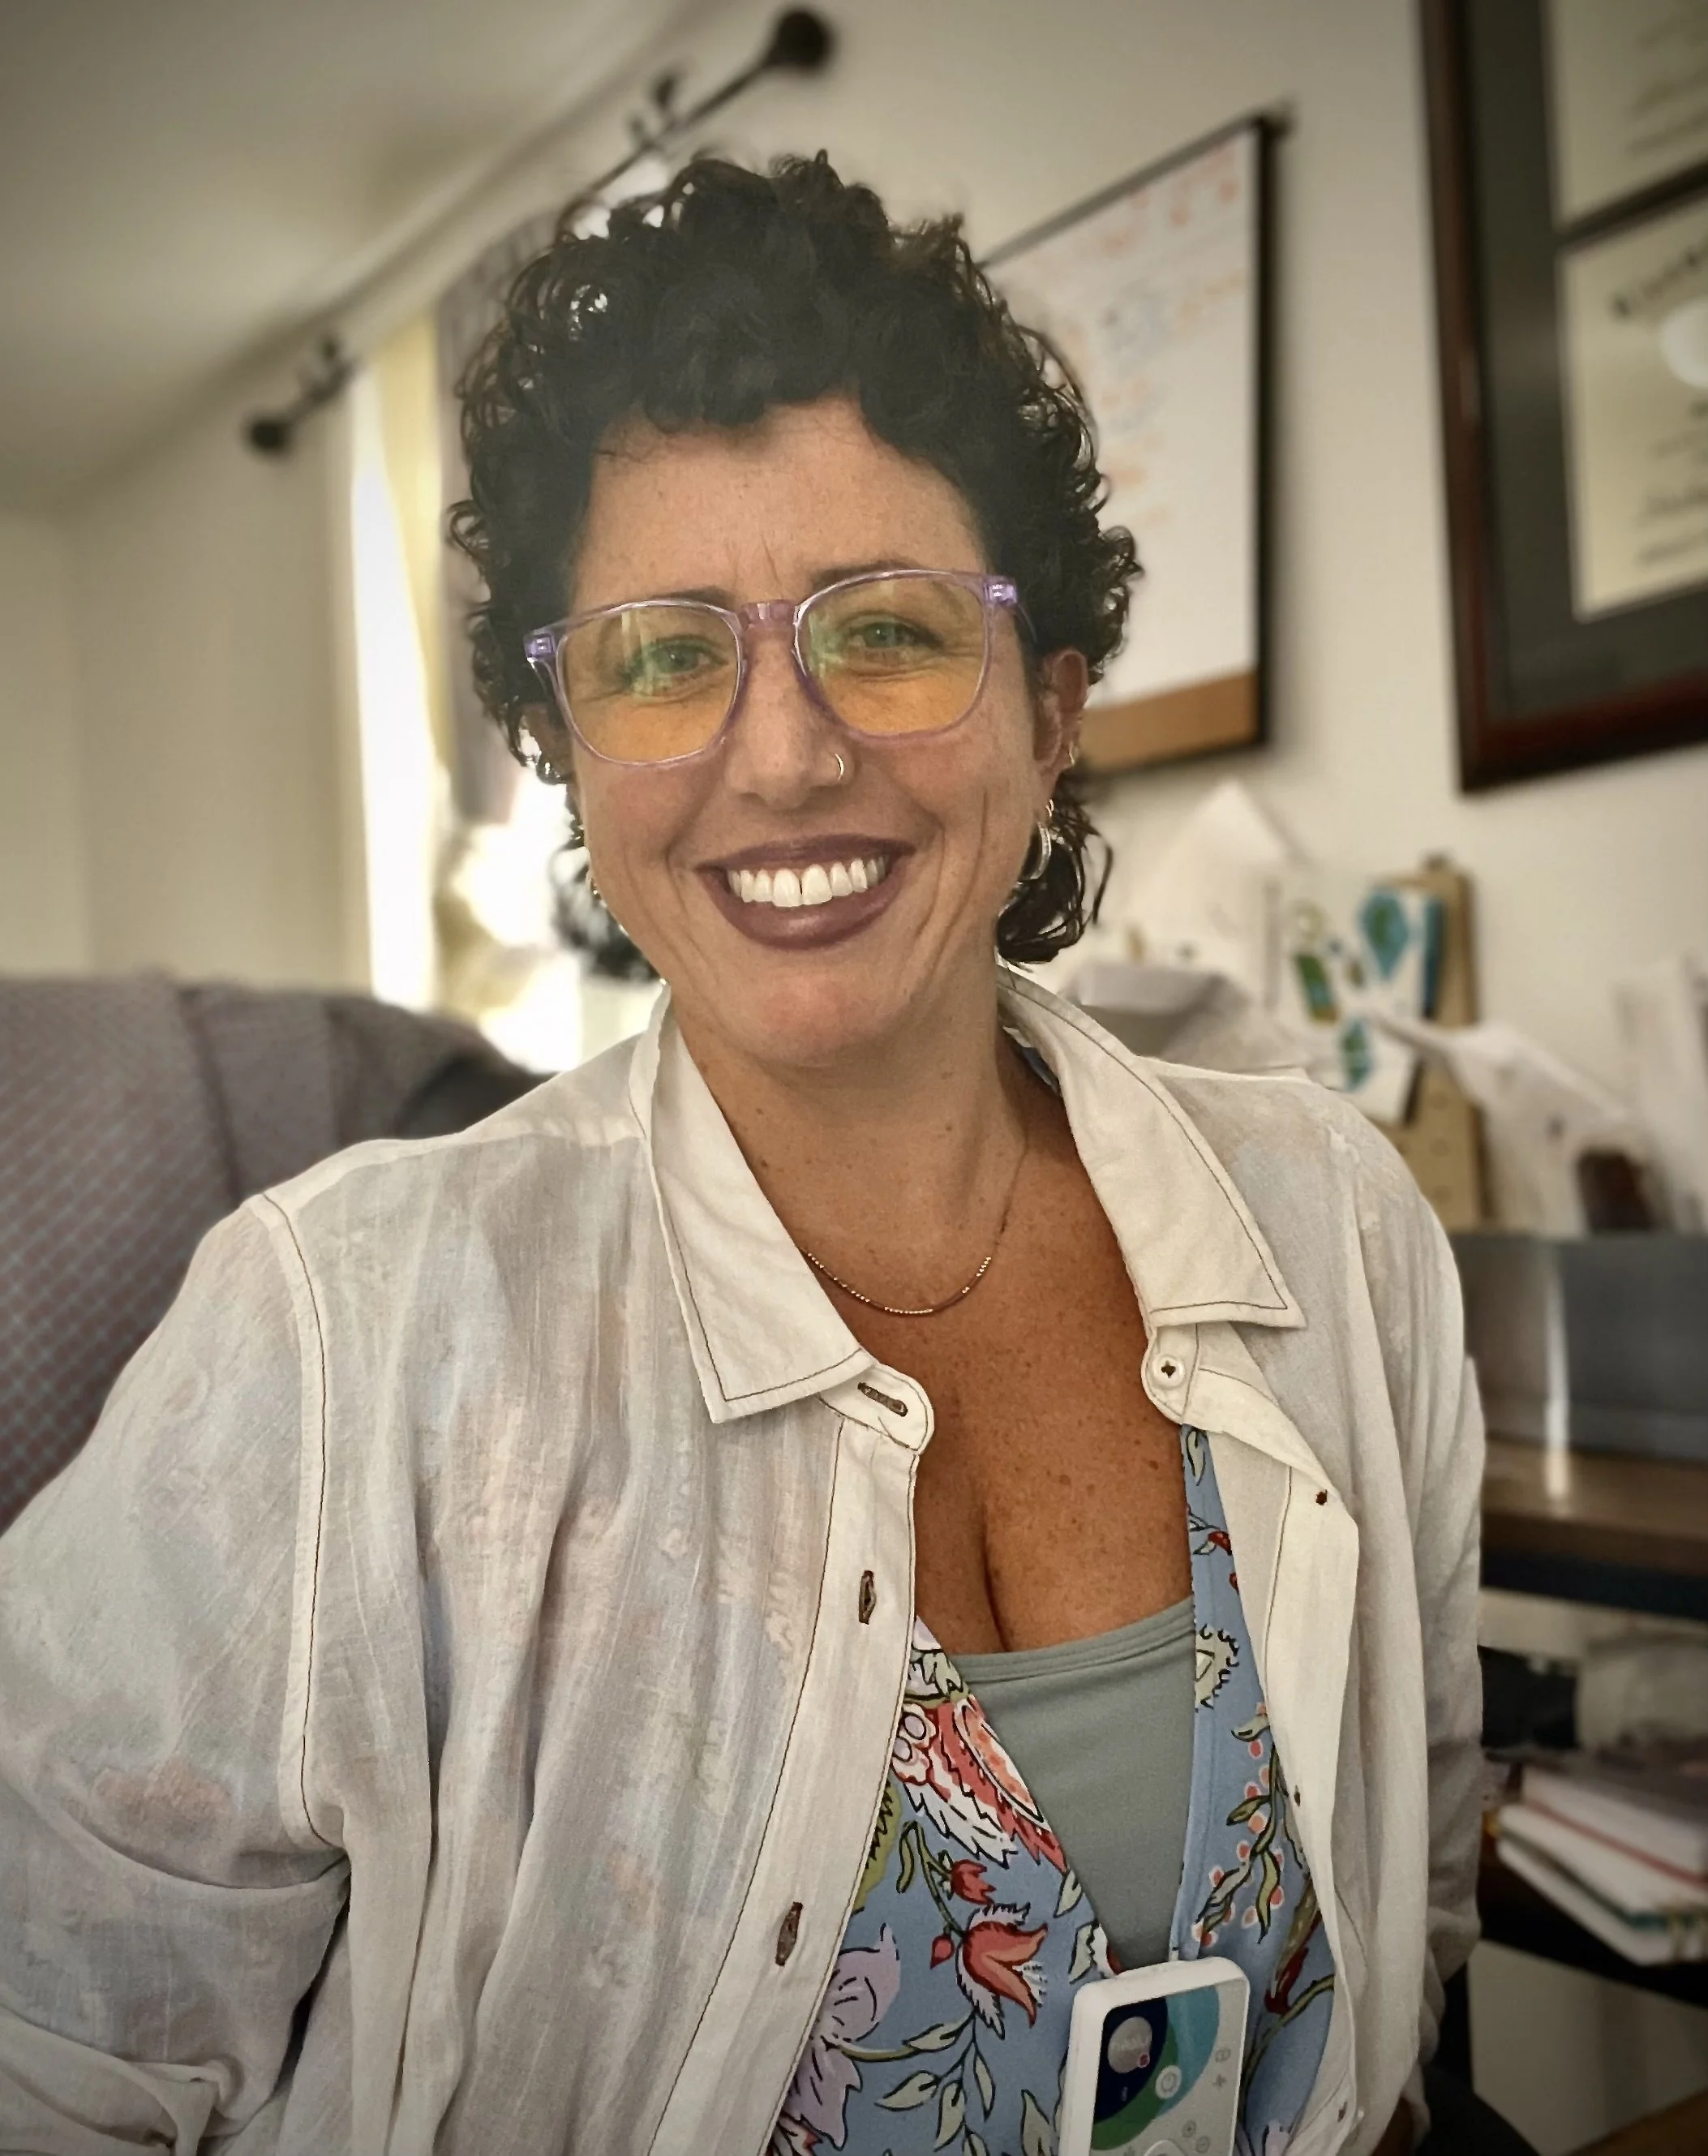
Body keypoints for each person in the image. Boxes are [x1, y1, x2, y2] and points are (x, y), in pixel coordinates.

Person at [0, 156, 1484, 2156]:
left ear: (1053, 717)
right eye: (662, 654)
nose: (780, 755)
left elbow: (1415, 1898)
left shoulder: (1340, 1229)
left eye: (884, 630)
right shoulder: (337, 1347)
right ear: (574, 760)